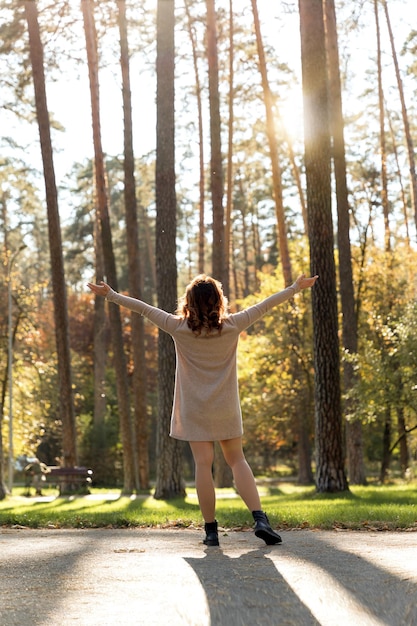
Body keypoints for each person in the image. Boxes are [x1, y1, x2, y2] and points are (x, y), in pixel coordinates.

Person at [87, 272, 318, 546]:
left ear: (189, 302)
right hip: (225, 407)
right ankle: (260, 519)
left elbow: (143, 308)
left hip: (195, 409)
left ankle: (211, 531)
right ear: (219, 301)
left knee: (202, 464)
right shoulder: (233, 325)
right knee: (237, 460)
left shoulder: (178, 327)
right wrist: (295, 287)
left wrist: (110, 295)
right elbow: (266, 304)